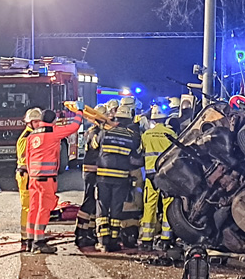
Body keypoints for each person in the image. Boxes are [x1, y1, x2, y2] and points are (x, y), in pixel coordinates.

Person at [25, 102, 84, 254]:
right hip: (47, 179)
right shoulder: (54, 131)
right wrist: (79, 111)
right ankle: (39, 242)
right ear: (54, 120)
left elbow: (28, 157)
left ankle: (29, 240)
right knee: (44, 210)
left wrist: (31, 175)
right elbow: (74, 127)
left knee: (33, 208)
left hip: (33, 178)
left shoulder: (32, 135)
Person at [93, 105, 142, 252]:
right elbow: (137, 158)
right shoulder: (132, 136)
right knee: (116, 210)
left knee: (102, 209)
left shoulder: (104, 133)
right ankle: (113, 241)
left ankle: (102, 241)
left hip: (103, 177)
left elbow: (93, 146)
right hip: (121, 178)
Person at [139, 105, 177, 251]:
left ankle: (147, 239)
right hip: (167, 177)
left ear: (153, 120)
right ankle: (166, 238)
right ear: (165, 118)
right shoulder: (171, 134)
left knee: (150, 206)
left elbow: (140, 152)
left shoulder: (147, 135)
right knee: (168, 206)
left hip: (151, 177)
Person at [74, 104, 107, 248]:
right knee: (89, 201)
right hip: (93, 170)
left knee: (91, 200)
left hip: (89, 169)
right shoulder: (98, 132)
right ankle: (81, 233)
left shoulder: (91, 130)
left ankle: (87, 231)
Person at [16, 107, 42, 251]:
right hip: (25, 175)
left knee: (34, 206)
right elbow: (25, 160)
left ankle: (30, 235)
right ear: (30, 122)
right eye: (36, 122)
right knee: (27, 207)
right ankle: (25, 237)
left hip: (30, 175)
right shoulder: (26, 138)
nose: (39, 124)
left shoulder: (32, 135)